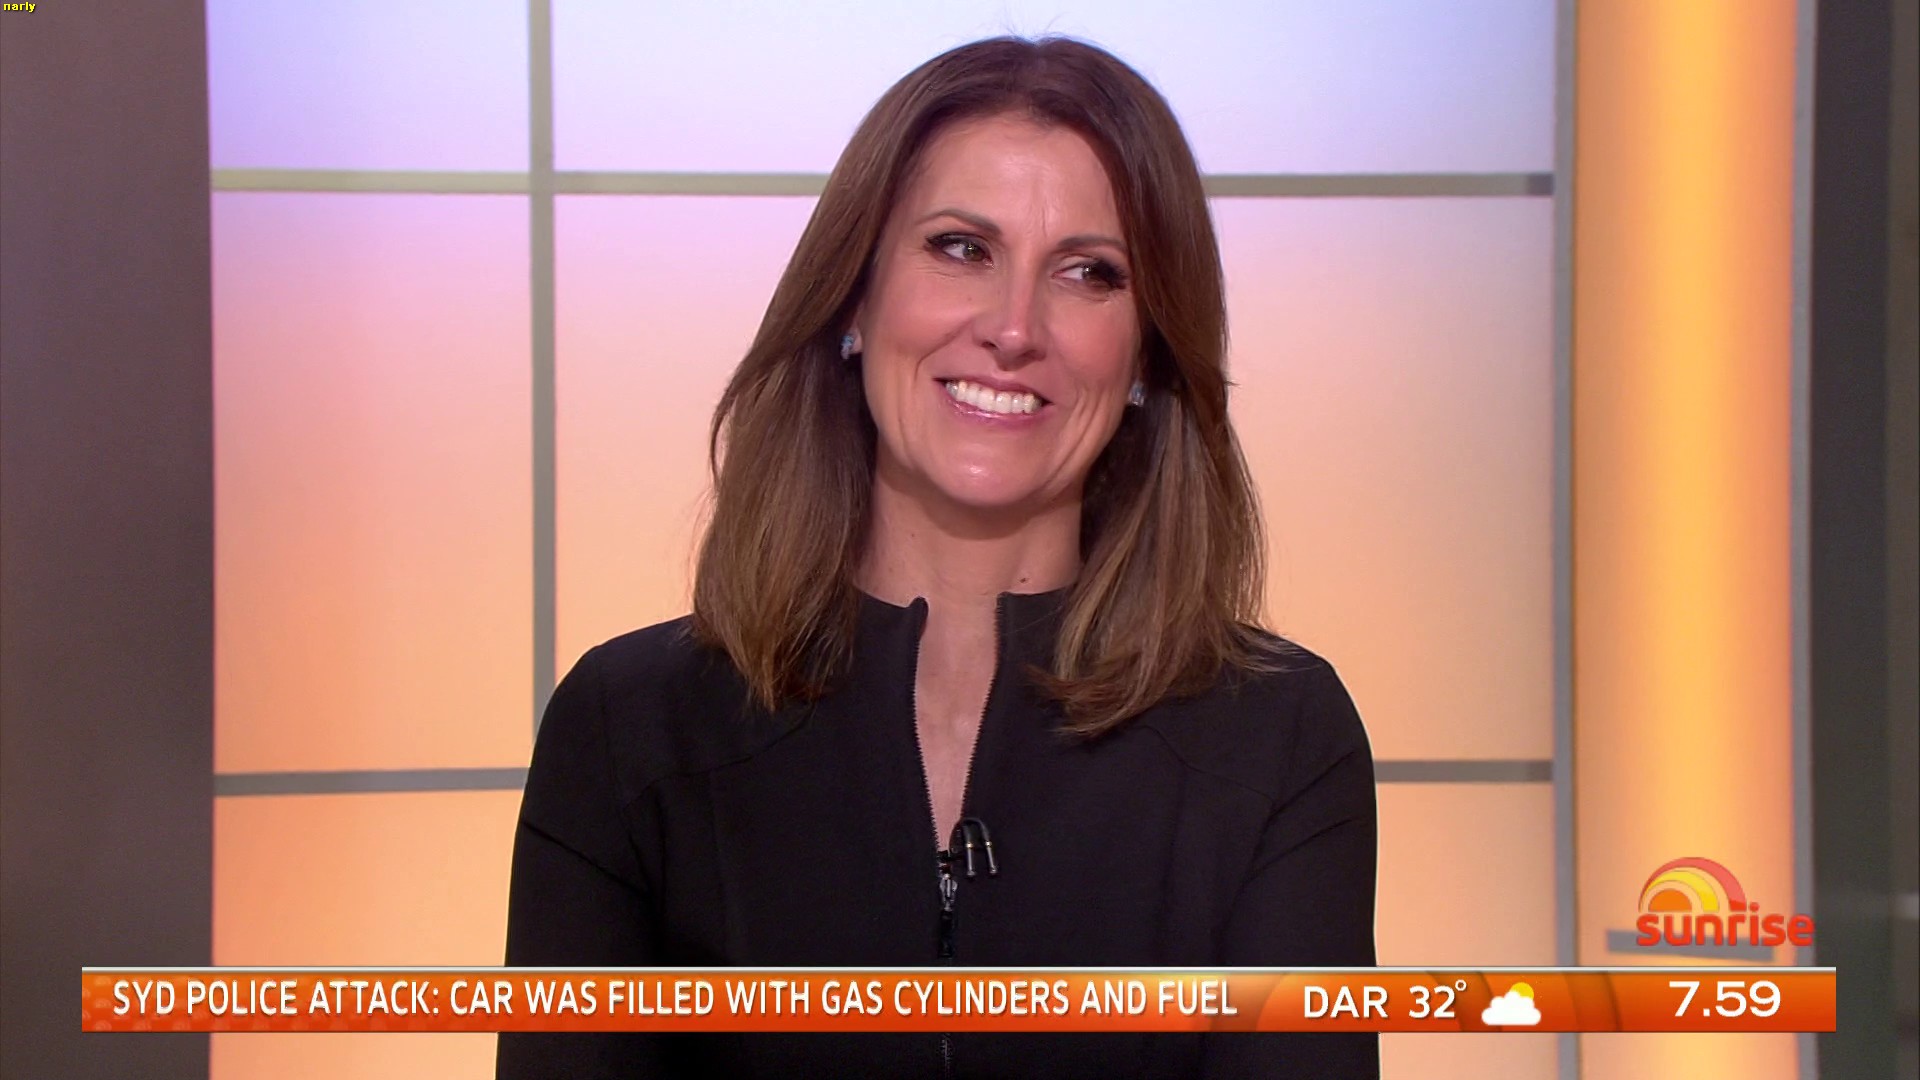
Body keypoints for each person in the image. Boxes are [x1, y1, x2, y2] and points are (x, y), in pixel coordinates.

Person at [497, 34, 1378, 1080]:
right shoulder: (629, 729)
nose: (1013, 328)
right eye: (962, 248)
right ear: (854, 298)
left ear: (1147, 353)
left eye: (1089, 273)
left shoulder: (1281, 740)